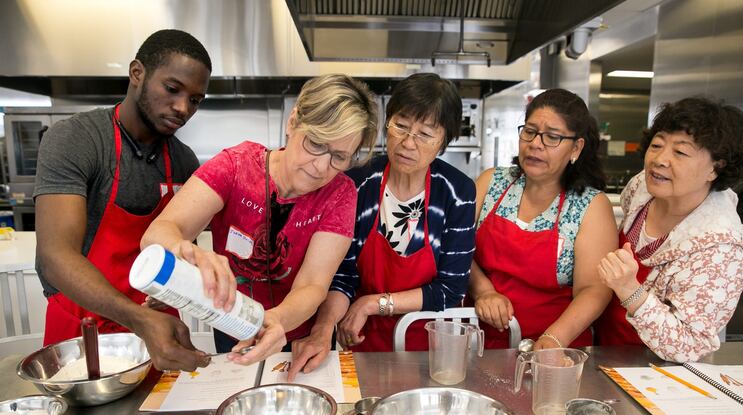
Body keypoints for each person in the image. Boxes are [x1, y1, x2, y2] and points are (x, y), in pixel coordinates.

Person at [141, 74, 378, 379]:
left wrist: (275, 320)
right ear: (293, 122)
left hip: (299, 336)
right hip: (230, 323)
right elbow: (159, 233)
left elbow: (312, 284)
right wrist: (182, 250)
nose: (321, 167)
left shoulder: (340, 194)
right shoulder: (237, 166)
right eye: (316, 144)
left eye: (339, 157)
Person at [34, 29, 212, 371]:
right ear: (137, 73)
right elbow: (56, 256)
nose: (182, 107)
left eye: (195, 100)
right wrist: (138, 319)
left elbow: (180, 253)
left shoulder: (185, 162)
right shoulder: (78, 140)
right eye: (172, 89)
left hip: (159, 325)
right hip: (83, 329)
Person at [307, 73, 477, 354]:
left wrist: (374, 303)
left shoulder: (457, 191)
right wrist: (323, 329)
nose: (408, 143)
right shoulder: (358, 181)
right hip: (359, 337)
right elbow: (342, 274)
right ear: (387, 124)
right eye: (401, 126)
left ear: (444, 141)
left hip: (431, 346)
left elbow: (451, 290)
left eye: (425, 134)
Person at [595, 97, 743, 362]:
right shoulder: (642, 189)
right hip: (602, 349)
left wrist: (630, 290)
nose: (659, 159)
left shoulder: (721, 251)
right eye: (657, 145)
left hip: (652, 370)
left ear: (716, 168)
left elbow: (688, 344)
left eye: (680, 152)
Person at [469, 88, 618, 349]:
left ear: (576, 148)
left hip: (553, 347)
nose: (535, 143)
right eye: (530, 131)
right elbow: (456, 250)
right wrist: (484, 290)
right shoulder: (491, 182)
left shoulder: (590, 206)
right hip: (478, 340)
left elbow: (594, 289)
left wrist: (554, 338)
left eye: (552, 137)